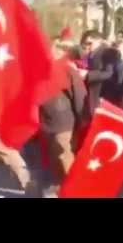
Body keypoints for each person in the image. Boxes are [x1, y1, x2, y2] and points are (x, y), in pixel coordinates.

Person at [39, 39, 87, 196]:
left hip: (64, 123)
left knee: (65, 158)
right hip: (47, 122)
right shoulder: (40, 68)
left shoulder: (68, 70)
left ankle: (76, 190)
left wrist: (82, 121)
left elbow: (80, 97)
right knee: (54, 160)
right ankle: (61, 188)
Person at [81, 30, 113, 120]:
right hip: (89, 93)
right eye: (86, 43)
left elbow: (108, 73)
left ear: (99, 41)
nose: (87, 46)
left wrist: (88, 74)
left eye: (90, 43)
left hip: (99, 94)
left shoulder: (107, 53)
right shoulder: (90, 53)